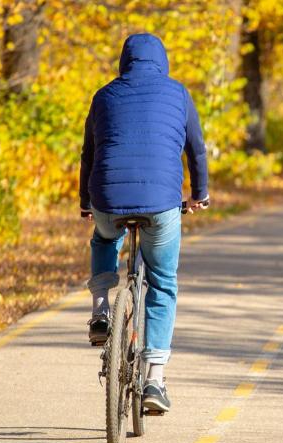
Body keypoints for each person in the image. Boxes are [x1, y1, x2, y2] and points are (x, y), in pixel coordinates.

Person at [79, 33, 210, 413]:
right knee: (163, 283)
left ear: (124, 61)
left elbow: (89, 152)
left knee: (104, 238)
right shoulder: (179, 93)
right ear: (162, 61)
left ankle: (101, 309)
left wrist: (86, 202)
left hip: (107, 195)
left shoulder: (104, 95)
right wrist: (199, 194)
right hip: (161, 203)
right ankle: (154, 379)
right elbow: (196, 149)